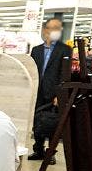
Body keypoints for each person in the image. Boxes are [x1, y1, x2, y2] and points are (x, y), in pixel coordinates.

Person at [29, 18, 72, 162]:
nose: (56, 31)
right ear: (45, 30)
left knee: (53, 122)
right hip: (37, 91)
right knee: (37, 121)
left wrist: (60, 94)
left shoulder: (65, 49)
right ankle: (38, 150)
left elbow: (65, 74)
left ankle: (50, 153)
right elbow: (32, 70)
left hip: (54, 92)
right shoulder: (36, 50)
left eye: (58, 28)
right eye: (53, 28)